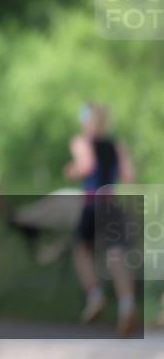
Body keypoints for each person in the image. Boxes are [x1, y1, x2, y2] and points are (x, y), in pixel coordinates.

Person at [63, 101, 137, 336]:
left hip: (93, 204)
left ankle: (95, 296)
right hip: (111, 203)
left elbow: (87, 165)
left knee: (81, 250)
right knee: (117, 256)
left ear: (87, 120)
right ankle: (127, 306)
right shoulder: (117, 144)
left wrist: (72, 169)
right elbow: (129, 176)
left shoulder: (82, 141)